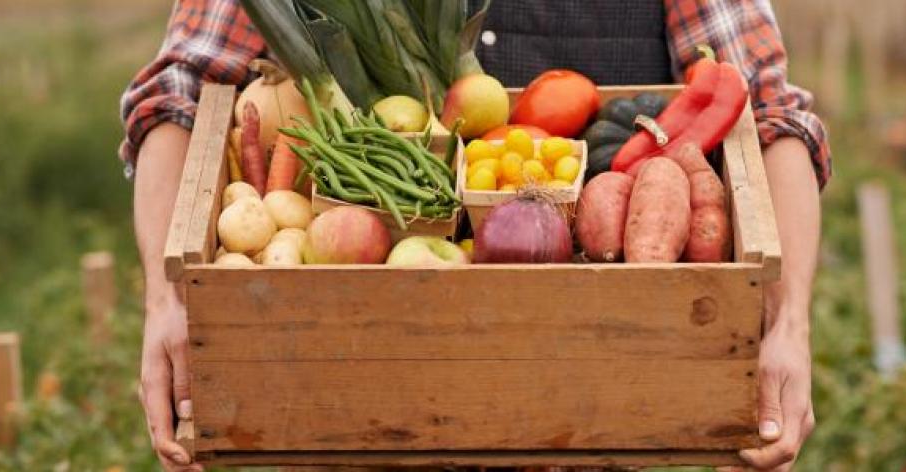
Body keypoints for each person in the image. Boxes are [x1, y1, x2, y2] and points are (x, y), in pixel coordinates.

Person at [121, 1, 828, 471]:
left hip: (614, 406)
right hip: (357, 403)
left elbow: (769, 115)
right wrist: (166, 301)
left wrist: (787, 323)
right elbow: (181, 94)